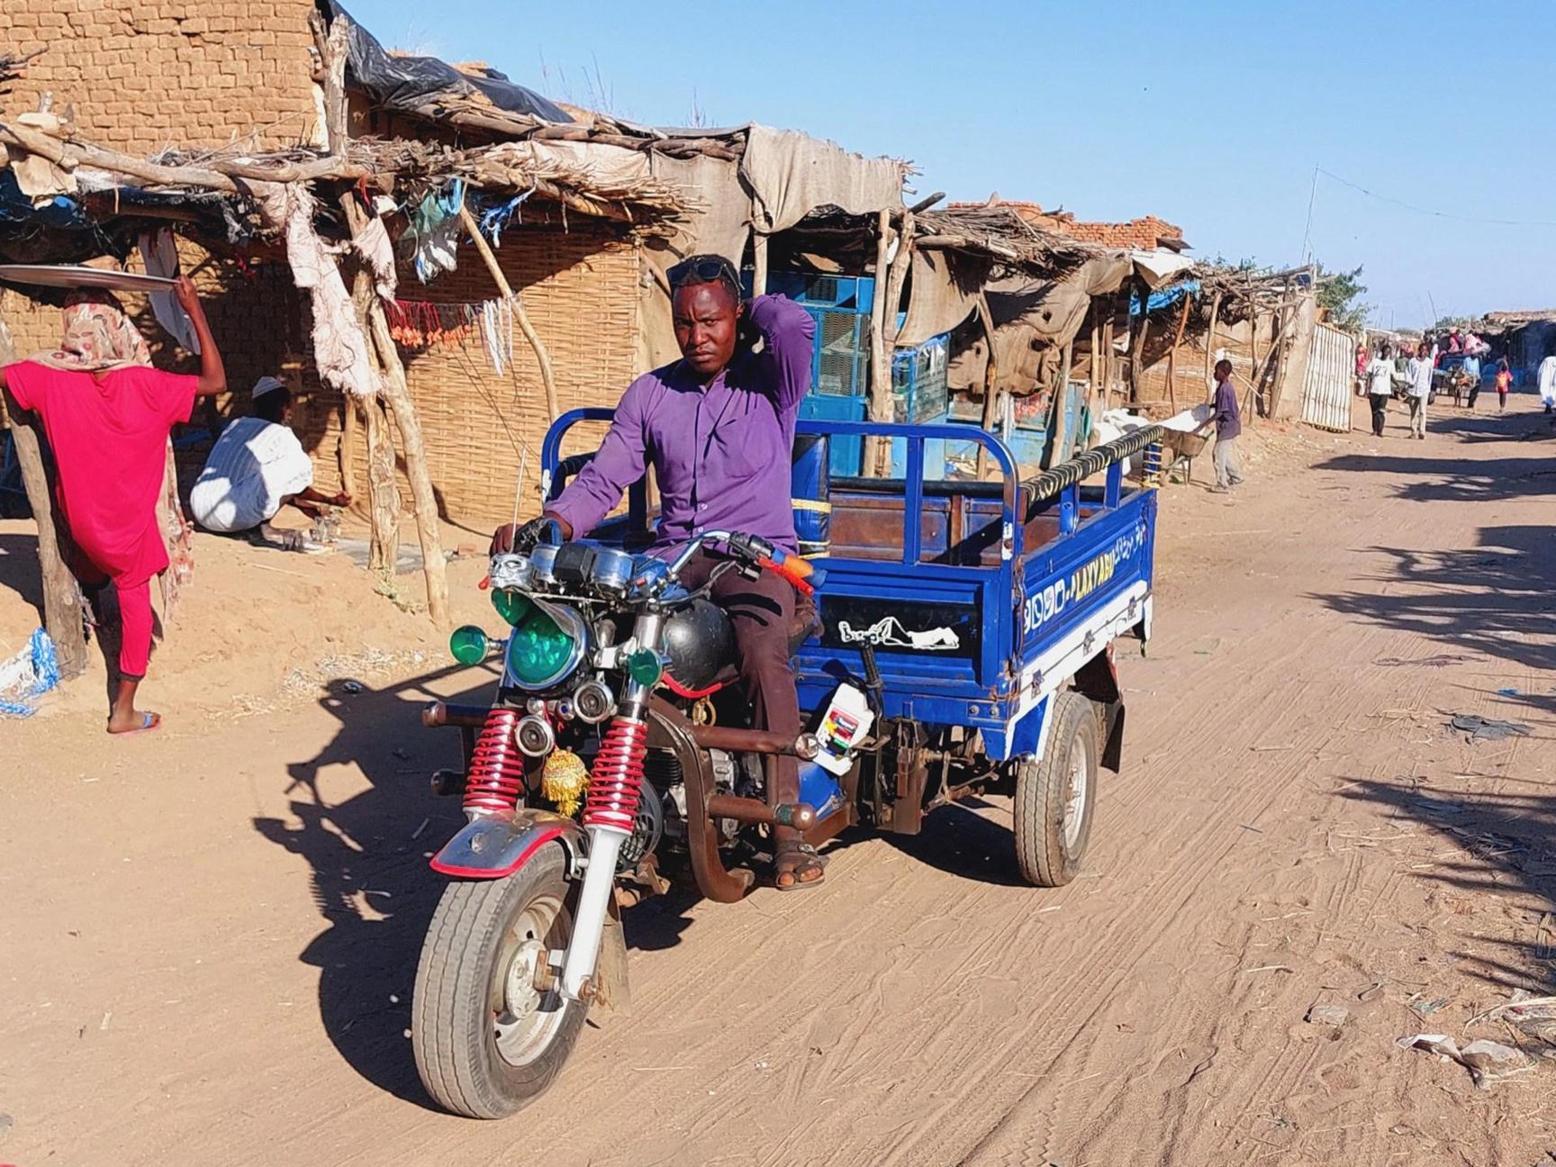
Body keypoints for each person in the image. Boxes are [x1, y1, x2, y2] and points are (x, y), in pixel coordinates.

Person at [491, 254, 824, 890]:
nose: (697, 337)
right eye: (684, 323)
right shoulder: (650, 394)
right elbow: (604, 477)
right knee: (593, 644)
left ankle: (786, 830)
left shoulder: (772, 384)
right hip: (674, 561)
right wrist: (555, 524)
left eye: (712, 321)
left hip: (756, 558)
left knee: (761, 653)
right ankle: (597, 791)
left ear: (735, 318)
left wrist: (747, 305)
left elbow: (792, 326)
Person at [0, 277, 226, 733]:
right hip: (130, 529)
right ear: (117, 327)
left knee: (91, 557)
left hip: (82, 523)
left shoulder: (45, 378)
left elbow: (8, 375)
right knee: (135, 591)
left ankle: (95, 609)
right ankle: (123, 709)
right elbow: (215, 380)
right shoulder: (146, 383)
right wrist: (193, 310)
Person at [189, 375, 348, 549]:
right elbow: (297, 485)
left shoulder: (236, 425)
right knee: (299, 465)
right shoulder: (281, 434)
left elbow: (265, 485)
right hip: (230, 516)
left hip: (199, 508)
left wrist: (302, 502)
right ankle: (261, 527)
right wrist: (329, 500)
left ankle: (253, 524)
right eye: (289, 407)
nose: (290, 413)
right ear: (282, 408)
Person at [1196, 358, 1244, 492]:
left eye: (1216, 371)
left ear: (1223, 372)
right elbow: (1220, 405)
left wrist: (1204, 424)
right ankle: (1236, 477)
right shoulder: (1225, 387)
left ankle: (1222, 484)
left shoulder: (1224, 389)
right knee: (1224, 454)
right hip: (1231, 425)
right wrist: (1208, 406)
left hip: (1228, 426)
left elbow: (1221, 411)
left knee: (1217, 453)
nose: (1214, 373)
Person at [1366, 342, 1396, 437]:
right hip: (1374, 389)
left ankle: (1380, 430)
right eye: (1385, 351)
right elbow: (1369, 375)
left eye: (1388, 352)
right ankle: (1374, 429)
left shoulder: (1390, 363)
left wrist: (1397, 385)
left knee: (1381, 411)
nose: (1387, 353)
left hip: (1385, 391)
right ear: (1382, 351)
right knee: (1374, 411)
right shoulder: (1375, 361)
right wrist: (1368, 388)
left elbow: (1392, 376)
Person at [1405, 342, 1432, 439]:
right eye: (1422, 350)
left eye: (1426, 350)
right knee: (1413, 411)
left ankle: (1422, 431)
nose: (1424, 352)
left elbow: (1430, 376)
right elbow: (1408, 373)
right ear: (1419, 350)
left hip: (1424, 389)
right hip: (1413, 389)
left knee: (1422, 411)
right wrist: (1410, 382)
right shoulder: (1412, 361)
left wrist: (1429, 388)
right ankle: (1413, 431)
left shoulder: (1429, 362)